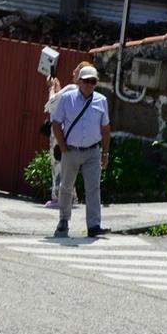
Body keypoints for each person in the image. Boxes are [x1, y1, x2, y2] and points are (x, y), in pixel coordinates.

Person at [47, 64, 113, 236]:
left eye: (93, 81)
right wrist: (63, 147)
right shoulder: (67, 98)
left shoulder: (101, 100)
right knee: (66, 186)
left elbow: (106, 128)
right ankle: (63, 220)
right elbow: (56, 123)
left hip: (92, 151)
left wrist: (105, 153)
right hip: (71, 150)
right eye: (86, 81)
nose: (89, 85)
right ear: (79, 81)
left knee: (93, 188)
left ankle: (94, 225)